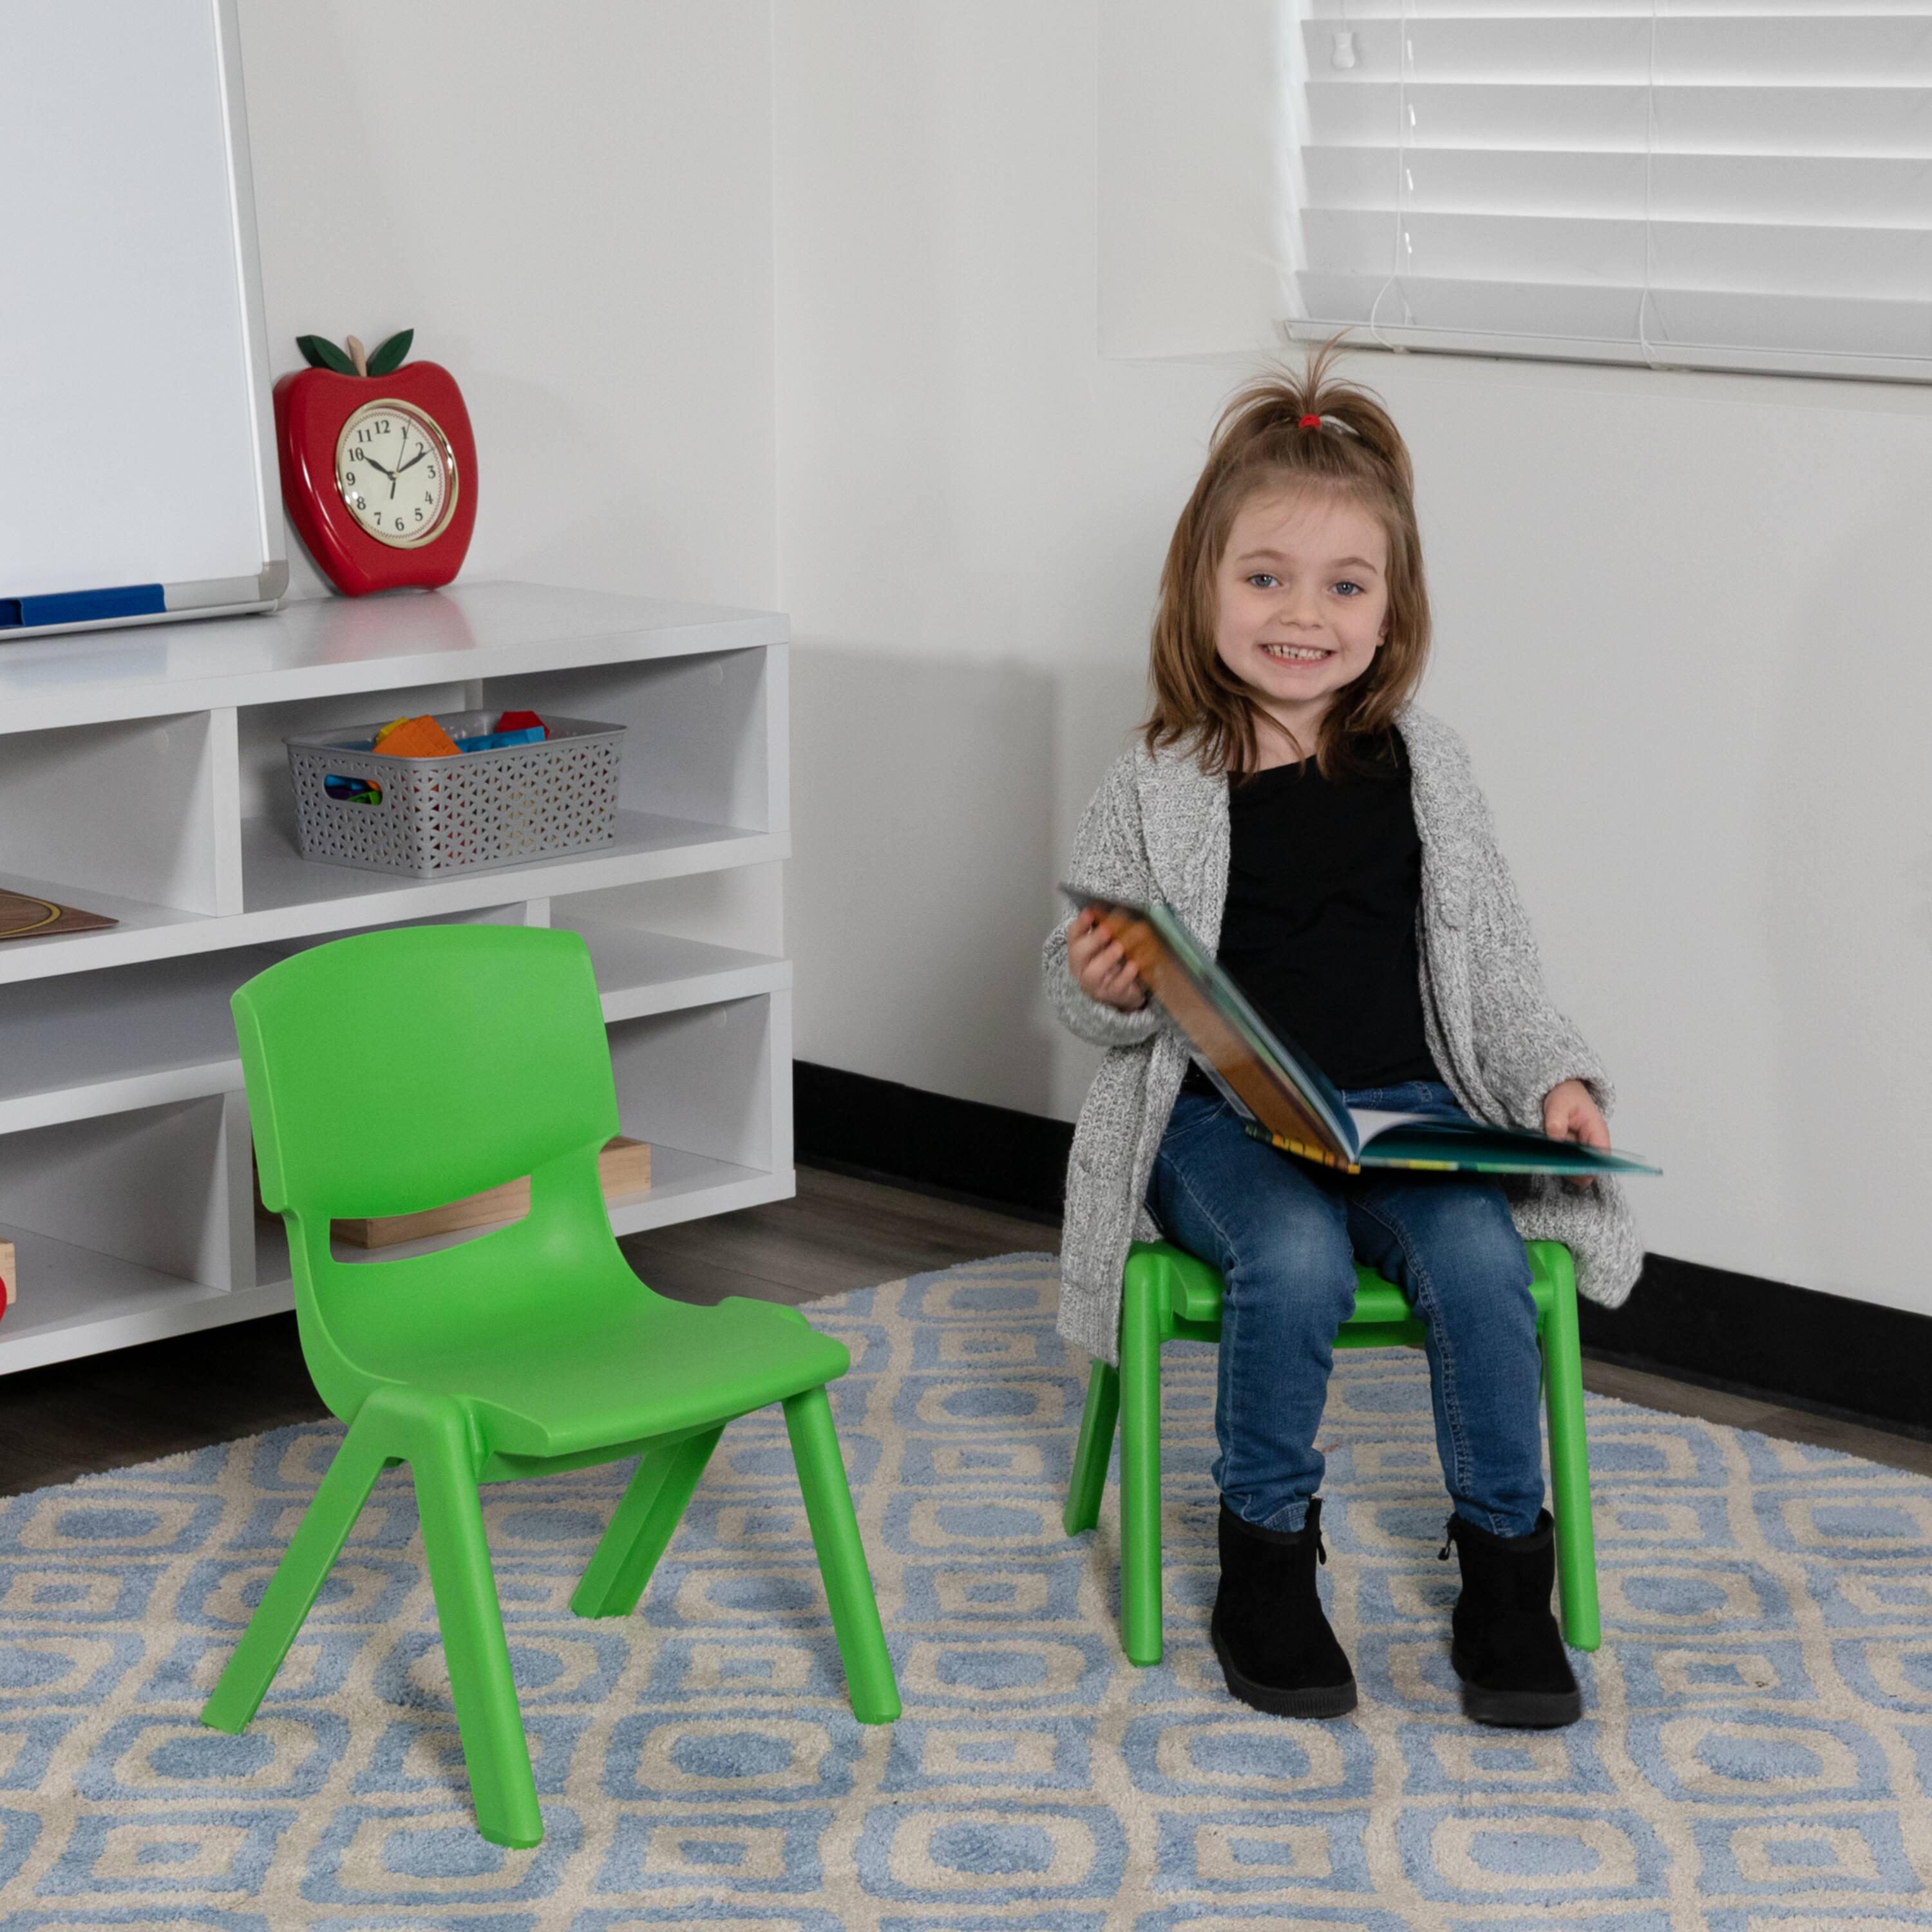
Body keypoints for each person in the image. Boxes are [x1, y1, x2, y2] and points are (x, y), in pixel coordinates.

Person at [1043, 345, 1643, 1730]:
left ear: (1392, 610)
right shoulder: (1158, 779)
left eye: (1345, 587)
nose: (1302, 615)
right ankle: (1265, 1556)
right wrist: (1105, 981)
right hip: (1219, 1118)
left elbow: (1499, 971)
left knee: (1483, 1266)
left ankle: (1506, 1571)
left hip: (1400, 1106)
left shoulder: (1430, 770)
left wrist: (1556, 1077)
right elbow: (1083, 996)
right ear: (1203, 589)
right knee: (1297, 1258)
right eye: (1265, 579)